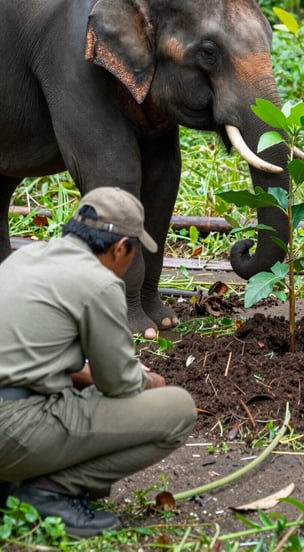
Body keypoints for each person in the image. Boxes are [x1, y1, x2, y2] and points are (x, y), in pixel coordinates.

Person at [0, 187, 197, 538]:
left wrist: (86, 373)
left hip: (11, 415)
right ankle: (47, 491)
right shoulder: (99, 282)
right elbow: (119, 383)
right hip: (13, 430)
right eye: (134, 252)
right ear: (121, 248)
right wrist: (149, 381)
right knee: (178, 409)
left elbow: (26, 353)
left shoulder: (23, 259)